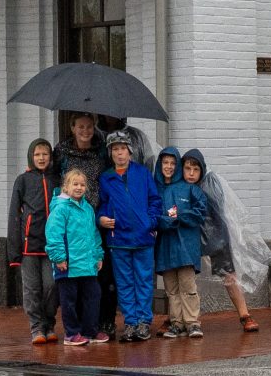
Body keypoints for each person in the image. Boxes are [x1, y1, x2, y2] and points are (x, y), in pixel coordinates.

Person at [182, 149, 262, 333]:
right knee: (183, 277)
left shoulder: (210, 183)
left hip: (216, 235)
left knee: (229, 276)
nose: (192, 173)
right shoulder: (179, 186)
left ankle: (244, 315)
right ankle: (177, 318)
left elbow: (218, 208)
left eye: (196, 169)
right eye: (188, 168)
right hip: (190, 236)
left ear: (202, 169)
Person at [98, 132, 162, 342]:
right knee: (124, 283)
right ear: (111, 153)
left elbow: (154, 200)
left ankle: (144, 322)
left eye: (123, 148)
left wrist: (150, 223)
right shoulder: (106, 178)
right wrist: (102, 219)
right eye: (115, 149)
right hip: (119, 240)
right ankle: (130, 322)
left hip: (143, 238)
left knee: (143, 281)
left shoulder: (142, 173)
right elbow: (103, 205)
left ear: (130, 151)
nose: (119, 153)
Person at [7, 138, 61, 345]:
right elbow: (14, 215)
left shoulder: (57, 179)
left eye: (45, 154)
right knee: (32, 289)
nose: (41, 158)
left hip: (52, 245)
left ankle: (49, 323)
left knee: (51, 286)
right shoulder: (23, 180)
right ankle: (36, 327)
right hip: (29, 246)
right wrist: (14, 250)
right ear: (31, 156)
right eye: (37, 154)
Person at [44, 166, 106, 346]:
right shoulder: (61, 208)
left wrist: (98, 256)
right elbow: (54, 234)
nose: (79, 188)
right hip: (68, 265)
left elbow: (94, 235)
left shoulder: (87, 208)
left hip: (87, 264)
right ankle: (71, 334)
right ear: (66, 187)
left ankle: (90, 331)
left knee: (93, 296)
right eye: (75, 184)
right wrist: (59, 258)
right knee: (69, 301)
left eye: (82, 184)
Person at [154, 146, 209, 338]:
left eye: (172, 163)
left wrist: (179, 216)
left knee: (188, 287)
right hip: (166, 247)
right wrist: (165, 221)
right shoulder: (158, 188)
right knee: (172, 289)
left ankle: (193, 322)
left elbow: (201, 212)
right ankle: (176, 322)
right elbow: (155, 215)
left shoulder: (192, 190)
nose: (169, 167)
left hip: (186, 247)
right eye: (165, 162)